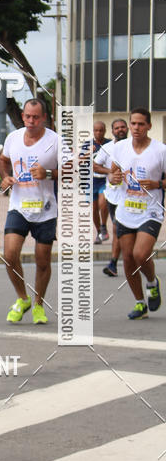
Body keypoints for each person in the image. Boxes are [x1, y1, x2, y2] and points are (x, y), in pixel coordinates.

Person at [0, 98, 61, 325]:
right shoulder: (13, 138)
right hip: (19, 206)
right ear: (23, 116)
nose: (31, 121)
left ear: (44, 117)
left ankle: (38, 305)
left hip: (45, 209)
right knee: (9, 255)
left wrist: (49, 174)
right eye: (27, 116)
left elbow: (73, 171)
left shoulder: (55, 141)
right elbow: (3, 160)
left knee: (42, 261)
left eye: (36, 117)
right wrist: (5, 177)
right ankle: (22, 298)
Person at [106, 108, 166, 319]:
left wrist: (158, 183)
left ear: (149, 126)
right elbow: (113, 172)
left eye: (141, 124)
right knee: (129, 259)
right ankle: (140, 304)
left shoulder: (160, 151)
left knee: (141, 254)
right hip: (125, 211)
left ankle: (152, 283)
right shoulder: (121, 148)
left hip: (150, 211)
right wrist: (113, 178)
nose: (136, 128)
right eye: (133, 124)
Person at [93, 118, 129, 277]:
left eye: (123, 127)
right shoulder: (107, 148)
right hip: (114, 196)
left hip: (134, 197)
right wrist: (110, 172)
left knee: (125, 231)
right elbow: (95, 165)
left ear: (127, 128)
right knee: (117, 229)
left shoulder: (134, 147)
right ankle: (114, 263)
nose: (120, 130)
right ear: (112, 131)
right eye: (117, 128)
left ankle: (131, 259)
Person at [81, 120, 110, 244]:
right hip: (90, 180)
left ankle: (103, 226)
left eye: (101, 130)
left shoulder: (109, 144)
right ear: (93, 131)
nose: (98, 132)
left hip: (104, 179)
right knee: (93, 209)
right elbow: (79, 160)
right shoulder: (88, 144)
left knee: (103, 203)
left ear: (105, 131)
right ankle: (98, 232)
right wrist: (89, 153)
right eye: (96, 130)